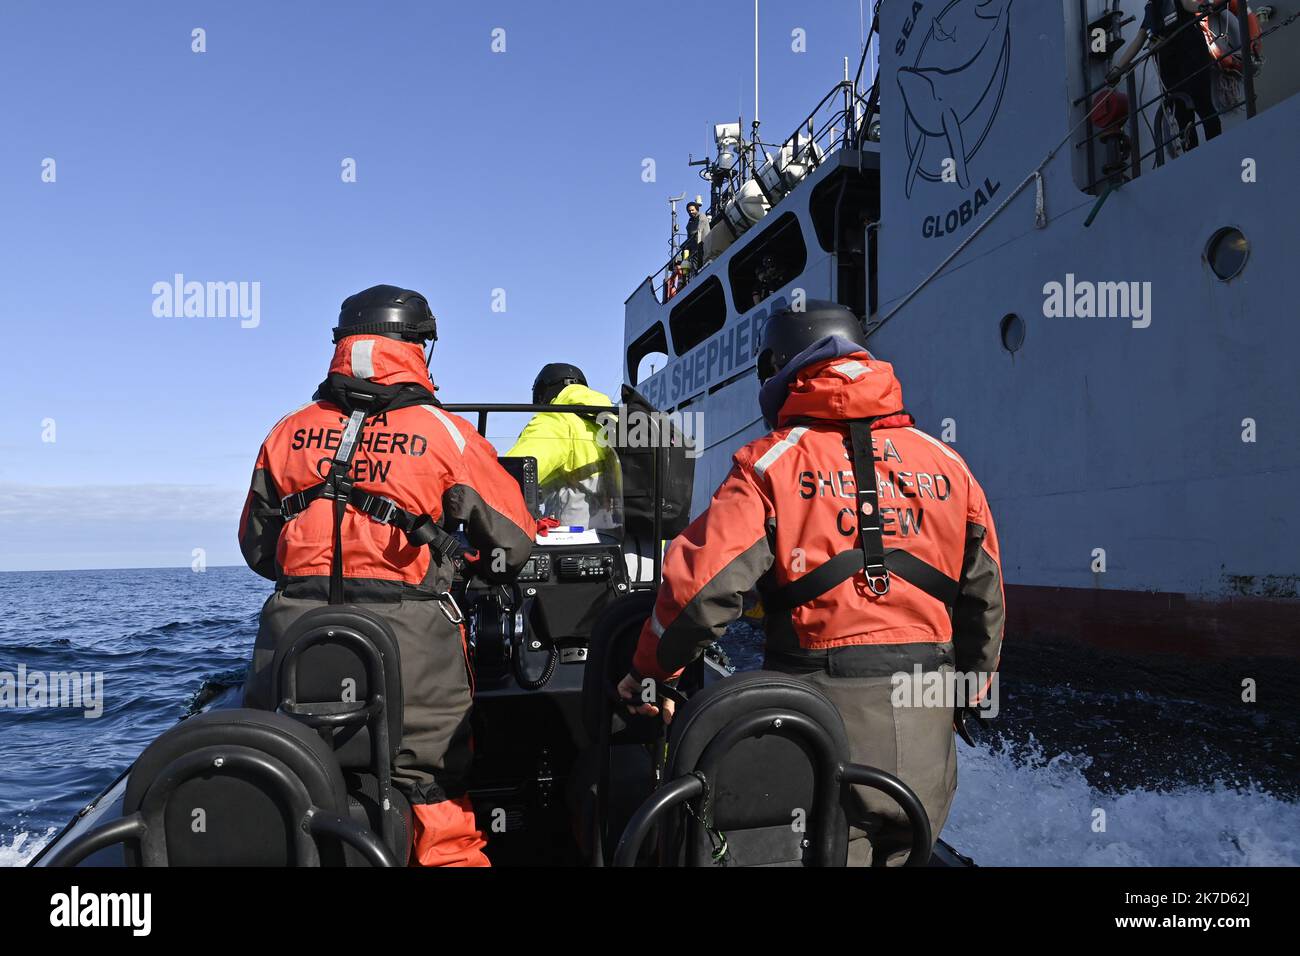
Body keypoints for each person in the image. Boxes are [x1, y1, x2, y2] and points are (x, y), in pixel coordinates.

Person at [619, 301, 1005, 866]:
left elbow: (699, 593)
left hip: (822, 729)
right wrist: (965, 696)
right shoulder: (950, 464)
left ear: (777, 372)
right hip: (927, 732)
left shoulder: (769, 464)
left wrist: (648, 672)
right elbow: (985, 600)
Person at [238, 284, 535, 867]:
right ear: (420, 348)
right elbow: (516, 543)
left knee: (294, 797)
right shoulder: (447, 434)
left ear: (341, 345)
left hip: (292, 655)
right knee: (434, 804)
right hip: (413, 660)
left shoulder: (285, 433)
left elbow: (257, 547)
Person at [506, 363, 620, 532]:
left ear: (543, 393)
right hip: (625, 541)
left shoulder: (556, 421)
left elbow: (510, 476)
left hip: (576, 542)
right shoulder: (615, 423)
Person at [1107, 0, 1224, 149]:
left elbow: (1188, 4)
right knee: (1181, 112)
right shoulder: (1151, 9)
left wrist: (1203, 6)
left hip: (1190, 53)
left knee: (1202, 102)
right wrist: (1117, 69)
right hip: (1169, 65)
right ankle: (1192, 154)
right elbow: (1139, 39)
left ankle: (1217, 148)